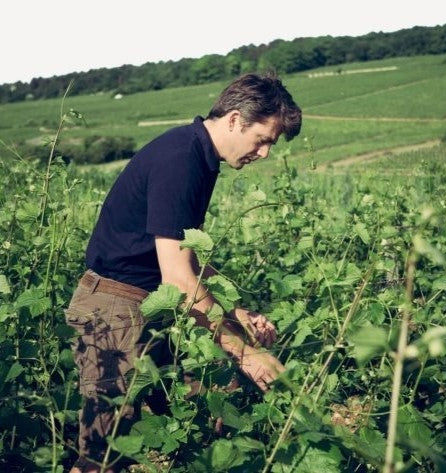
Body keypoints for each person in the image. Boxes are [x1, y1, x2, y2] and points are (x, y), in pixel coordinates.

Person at [66, 72, 302, 472]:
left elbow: (184, 254)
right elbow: (178, 278)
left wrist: (234, 312)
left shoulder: (198, 156)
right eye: (263, 140)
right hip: (114, 309)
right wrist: (245, 352)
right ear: (234, 119)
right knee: (103, 454)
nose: (264, 154)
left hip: (148, 304)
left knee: (189, 408)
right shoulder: (181, 160)